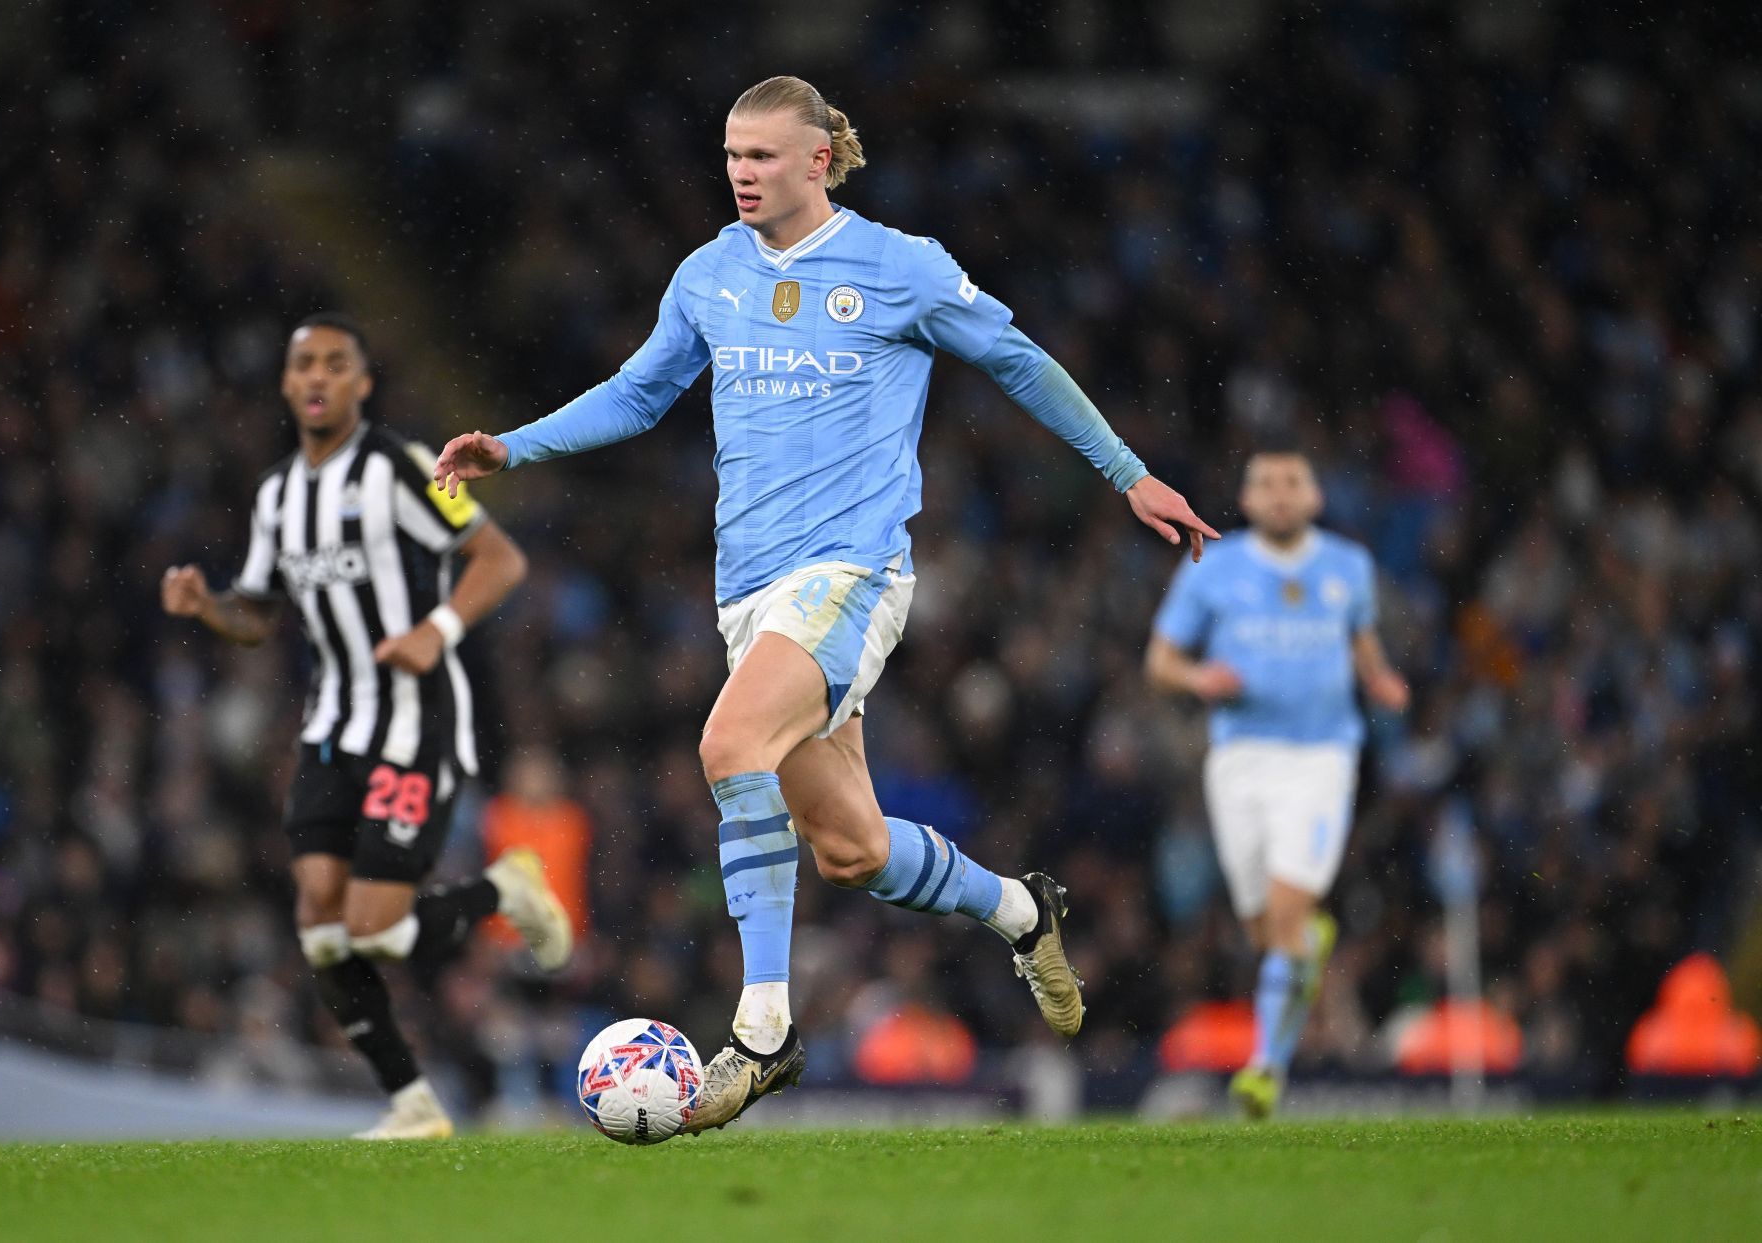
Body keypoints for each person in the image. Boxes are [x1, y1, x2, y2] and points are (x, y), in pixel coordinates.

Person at [433, 77, 1219, 1132]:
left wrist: (1128, 472)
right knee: (849, 851)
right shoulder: (709, 274)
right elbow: (637, 391)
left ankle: (765, 1030)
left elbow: (1017, 361)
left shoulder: (902, 267)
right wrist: (512, 445)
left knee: (728, 745)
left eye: (762, 156)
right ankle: (1024, 910)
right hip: (749, 596)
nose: (742, 174)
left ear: (819, 159)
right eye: (730, 156)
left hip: (851, 576)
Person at [161, 313, 573, 1139]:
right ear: (286, 383)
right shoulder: (277, 495)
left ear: (361, 384)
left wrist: (437, 631)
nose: (316, 377)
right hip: (330, 729)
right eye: (303, 364)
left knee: (375, 930)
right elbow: (259, 614)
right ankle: (413, 1104)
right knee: (319, 925)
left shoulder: (399, 467)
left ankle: (505, 888)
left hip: (415, 723)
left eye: (334, 364)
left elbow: (501, 559)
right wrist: (209, 606)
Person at [1145, 445, 1408, 1118]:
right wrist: (1200, 678)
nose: (1281, 493)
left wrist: (1377, 678)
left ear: (1315, 496)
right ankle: (1303, 947)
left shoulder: (1348, 566)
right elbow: (1161, 661)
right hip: (1241, 759)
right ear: (1248, 498)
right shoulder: (1214, 565)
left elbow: (1361, 637)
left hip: (1321, 757)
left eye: (1294, 481)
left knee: (1288, 912)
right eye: (1267, 483)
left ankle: (1265, 1065)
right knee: (1266, 931)